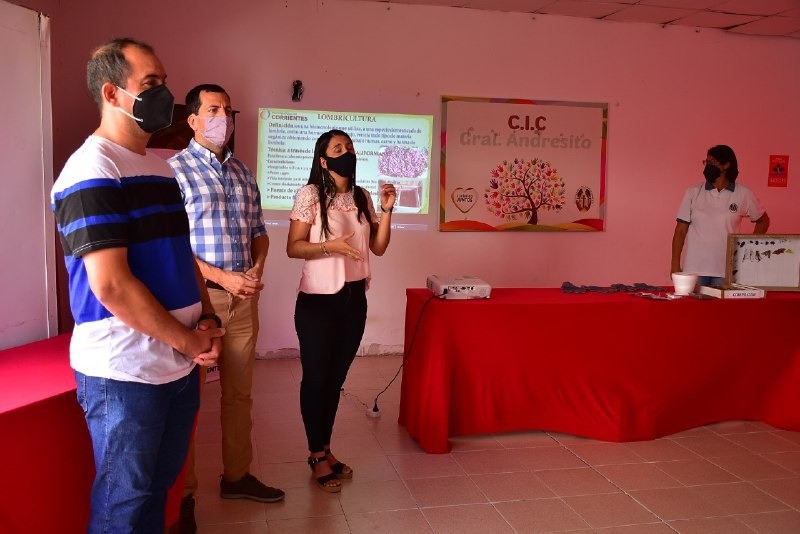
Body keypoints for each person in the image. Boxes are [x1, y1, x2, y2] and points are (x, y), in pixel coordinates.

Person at [50, 38, 224, 533]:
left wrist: (207, 318)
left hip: (175, 364)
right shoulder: (91, 169)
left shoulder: (157, 167)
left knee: (158, 489)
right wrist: (188, 341)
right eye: (150, 84)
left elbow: (180, 254)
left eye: (163, 82)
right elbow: (111, 286)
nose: (164, 94)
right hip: (124, 371)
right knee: (123, 504)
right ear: (112, 93)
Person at [168, 84, 283, 531]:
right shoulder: (174, 172)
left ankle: (237, 476)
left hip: (243, 299)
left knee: (239, 394)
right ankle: (185, 496)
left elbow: (259, 231)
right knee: (188, 400)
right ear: (192, 120)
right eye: (213, 109)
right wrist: (223, 278)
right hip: (198, 301)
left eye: (228, 110)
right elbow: (174, 247)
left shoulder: (241, 171)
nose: (223, 117)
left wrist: (255, 267)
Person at [286, 129, 396, 492]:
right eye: (338, 148)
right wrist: (328, 247)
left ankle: (326, 448)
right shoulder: (310, 195)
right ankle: (315, 454)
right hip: (317, 301)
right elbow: (293, 247)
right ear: (323, 160)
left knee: (335, 380)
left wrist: (387, 211)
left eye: (349, 146)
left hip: (354, 300)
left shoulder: (362, 197)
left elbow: (378, 248)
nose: (347, 152)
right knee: (316, 378)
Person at [671, 144, 770, 287]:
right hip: (694, 270)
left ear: (726, 165)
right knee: (692, 303)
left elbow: (763, 220)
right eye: (706, 162)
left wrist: (750, 247)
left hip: (726, 270)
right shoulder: (693, 192)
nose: (707, 166)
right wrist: (675, 265)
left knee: (723, 303)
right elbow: (680, 231)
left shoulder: (744, 194)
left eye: (712, 162)